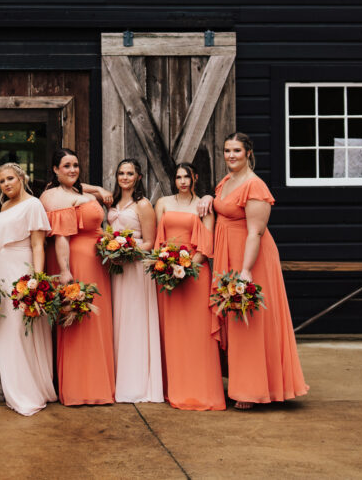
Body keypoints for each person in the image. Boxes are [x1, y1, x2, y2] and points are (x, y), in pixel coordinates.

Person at [200, 132, 308, 409]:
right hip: (228, 254)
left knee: (248, 321)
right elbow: (220, 206)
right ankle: (241, 382)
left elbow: (255, 232)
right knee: (234, 319)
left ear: (248, 152)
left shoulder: (255, 186)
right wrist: (205, 197)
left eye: (236, 150)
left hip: (251, 257)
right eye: (226, 150)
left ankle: (252, 389)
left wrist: (246, 270)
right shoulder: (226, 181)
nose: (231, 155)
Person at [40, 148, 115, 406]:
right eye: (66, 166)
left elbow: (86, 189)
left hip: (96, 264)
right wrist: (64, 270)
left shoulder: (77, 192)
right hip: (75, 261)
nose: (72, 170)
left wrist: (97, 191)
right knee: (77, 319)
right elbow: (61, 235)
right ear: (55, 169)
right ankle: (78, 387)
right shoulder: (52, 195)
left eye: (75, 165)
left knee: (97, 322)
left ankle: (100, 384)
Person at [154, 163, 225, 411]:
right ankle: (173, 387)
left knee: (197, 334)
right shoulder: (162, 203)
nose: (183, 181)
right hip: (168, 276)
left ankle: (202, 390)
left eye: (187, 176)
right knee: (172, 334)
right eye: (178, 177)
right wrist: (168, 266)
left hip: (194, 274)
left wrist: (185, 267)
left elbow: (206, 244)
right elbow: (157, 241)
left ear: (195, 178)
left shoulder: (204, 206)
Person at [0, 162, 56, 416]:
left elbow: (39, 245)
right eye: (2, 181)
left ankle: (27, 391)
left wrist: (36, 279)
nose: (6, 184)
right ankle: (12, 387)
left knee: (20, 330)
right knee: (6, 329)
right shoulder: (4, 206)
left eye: (10, 179)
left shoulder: (33, 205)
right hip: (1, 271)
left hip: (21, 269)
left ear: (21, 178)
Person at [107, 158, 163, 403]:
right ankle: (120, 377)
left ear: (138, 177)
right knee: (119, 320)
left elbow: (151, 242)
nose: (125, 177)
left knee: (135, 320)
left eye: (130, 173)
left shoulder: (143, 204)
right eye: (121, 173)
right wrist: (111, 250)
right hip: (117, 270)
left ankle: (138, 382)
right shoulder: (113, 200)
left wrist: (128, 251)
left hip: (136, 268)